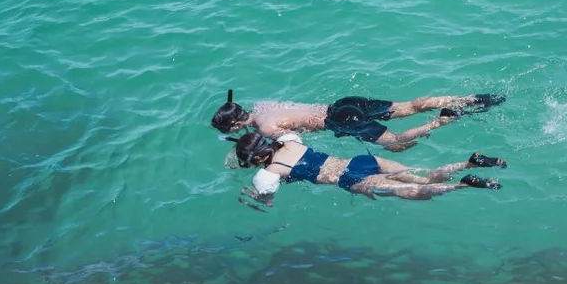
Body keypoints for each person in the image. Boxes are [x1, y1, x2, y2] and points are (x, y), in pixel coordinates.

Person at [232, 131, 505, 208]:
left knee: (416, 192)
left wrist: (255, 197)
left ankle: (465, 184)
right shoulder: (289, 141)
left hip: (350, 179)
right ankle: (469, 162)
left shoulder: (267, 174)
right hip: (362, 162)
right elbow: (282, 133)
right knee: (423, 176)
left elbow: (268, 202)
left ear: (256, 159)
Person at [211, 90, 505, 152]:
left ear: (236, 125)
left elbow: (293, 142)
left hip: (340, 120)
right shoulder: (263, 104)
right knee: (410, 105)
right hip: (342, 104)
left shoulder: (262, 127)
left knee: (396, 143)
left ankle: (447, 119)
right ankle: (469, 98)